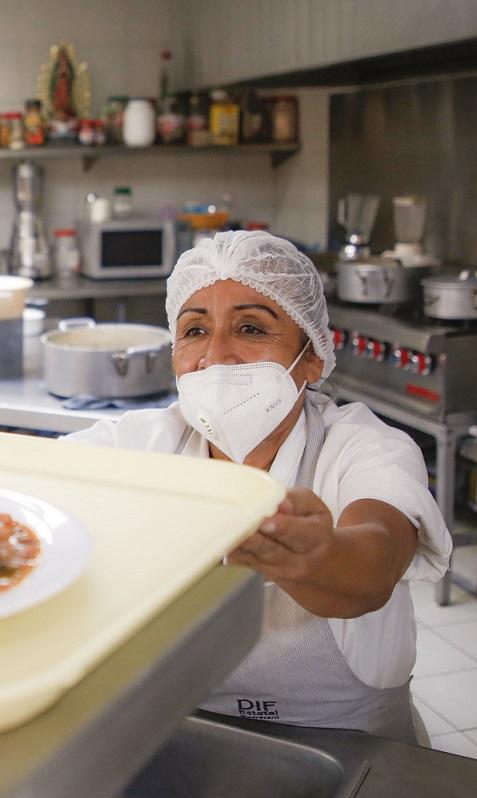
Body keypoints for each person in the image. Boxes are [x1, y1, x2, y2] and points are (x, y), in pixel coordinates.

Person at [66, 230, 451, 744]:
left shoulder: (363, 447)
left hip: (355, 751)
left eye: (250, 327)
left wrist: (316, 553)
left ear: (311, 356)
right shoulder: (140, 445)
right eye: (195, 331)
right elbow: (27, 480)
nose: (217, 356)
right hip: (187, 735)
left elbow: (374, 564)